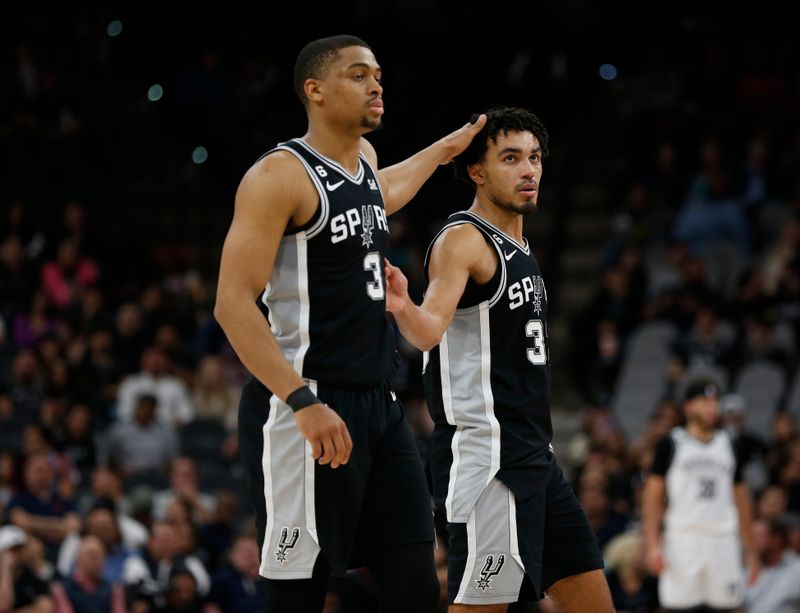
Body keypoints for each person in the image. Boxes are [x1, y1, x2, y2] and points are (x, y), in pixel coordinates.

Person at [213, 34, 486, 613]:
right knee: (298, 595)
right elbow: (233, 304)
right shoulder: (279, 176)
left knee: (416, 585)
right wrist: (300, 401)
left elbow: (380, 194)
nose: (377, 85)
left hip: (378, 405)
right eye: (359, 75)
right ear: (314, 90)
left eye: (379, 75)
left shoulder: (363, 162)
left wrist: (443, 151)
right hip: (304, 404)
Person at [383, 107, 612, 611]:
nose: (529, 170)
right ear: (477, 172)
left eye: (534, 158)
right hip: (492, 463)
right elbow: (427, 332)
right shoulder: (465, 239)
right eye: (511, 158)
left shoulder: (520, 244)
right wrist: (402, 306)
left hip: (536, 458)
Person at [642, 377, 760, 612]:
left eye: (714, 402)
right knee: (676, 606)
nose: (711, 408)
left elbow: (742, 501)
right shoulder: (671, 443)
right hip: (683, 538)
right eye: (704, 402)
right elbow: (652, 497)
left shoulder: (730, 444)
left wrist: (751, 551)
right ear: (688, 407)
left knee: (732, 605)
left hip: (723, 538)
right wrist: (653, 543)